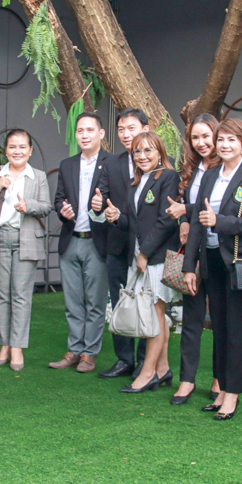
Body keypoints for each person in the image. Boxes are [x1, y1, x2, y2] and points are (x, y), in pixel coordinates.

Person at [182, 118, 242, 420]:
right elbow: (197, 222)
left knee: (237, 330)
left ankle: (232, 394)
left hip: (240, 261)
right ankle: (220, 389)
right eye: (221, 139)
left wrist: (219, 222)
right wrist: (189, 266)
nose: (225, 145)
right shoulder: (209, 175)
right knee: (219, 328)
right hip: (211, 259)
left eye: (232, 139)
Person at [104, 131, 180, 392]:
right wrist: (116, 217)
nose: (142, 156)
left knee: (155, 315)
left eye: (149, 150)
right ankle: (163, 369)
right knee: (157, 315)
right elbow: (133, 223)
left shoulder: (168, 177)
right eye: (137, 151)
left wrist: (145, 253)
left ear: (160, 153)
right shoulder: (135, 182)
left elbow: (166, 220)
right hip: (139, 258)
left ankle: (147, 374)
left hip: (155, 258)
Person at [0, 129, 51, 372]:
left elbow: (46, 206)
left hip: (26, 239)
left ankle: (17, 347)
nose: (17, 151)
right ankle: (4, 345)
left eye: (22, 147)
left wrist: (29, 206)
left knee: (21, 295)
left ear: (30, 150)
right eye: (12, 147)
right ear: (6, 150)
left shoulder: (38, 176)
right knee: (2, 295)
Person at [164, 113, 221, 404]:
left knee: (222, 321)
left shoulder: (227, 167)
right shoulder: (191, 169)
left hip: (221, 252)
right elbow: (186, 207)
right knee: (191, 319)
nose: (201, 143)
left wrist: (186, 211)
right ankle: (186, 380)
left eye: (206, 136)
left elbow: (213, 207)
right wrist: (184, 221)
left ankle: (220, 379)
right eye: (195, 137)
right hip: (195, 253)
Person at [50, 112, 111, 372]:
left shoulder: (113, 163)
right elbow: (58, 199)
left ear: (101, 133)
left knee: (95, 303)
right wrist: (62, 210)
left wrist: (102, 205)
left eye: (89, 130)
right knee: (73, 302)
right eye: (80, 131)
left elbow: (118, 201)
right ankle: (74, 350)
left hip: (97, 242)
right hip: (71, 240)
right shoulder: (67, 165)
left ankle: (89, 354)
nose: (84, 135)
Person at [93, 109, 149, 379]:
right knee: (119, 302)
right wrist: (98, 205)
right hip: (117, 243)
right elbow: (101, 196)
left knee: (147, 302)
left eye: (132, 128)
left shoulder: (161, 162)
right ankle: (124, 359)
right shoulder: (111, 163)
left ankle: (145, 361)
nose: (126, 134)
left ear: (146, 129)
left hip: (148, 246)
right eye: (122, 129)